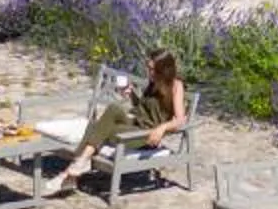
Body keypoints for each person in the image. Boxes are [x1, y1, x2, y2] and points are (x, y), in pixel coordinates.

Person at [39, 49, 186, 198]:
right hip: (135, 122)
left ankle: (71, 172)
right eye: (148, 68)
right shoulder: (153, 82)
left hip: (145, 134)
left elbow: (180, 119)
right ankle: (78, 166)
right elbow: (143, 109)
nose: (149, 72)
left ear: (164, 69)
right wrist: (131, 95)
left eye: (152, 69)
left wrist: (162, 128)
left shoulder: (175, 86)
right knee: (112, 110)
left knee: (98, 128)